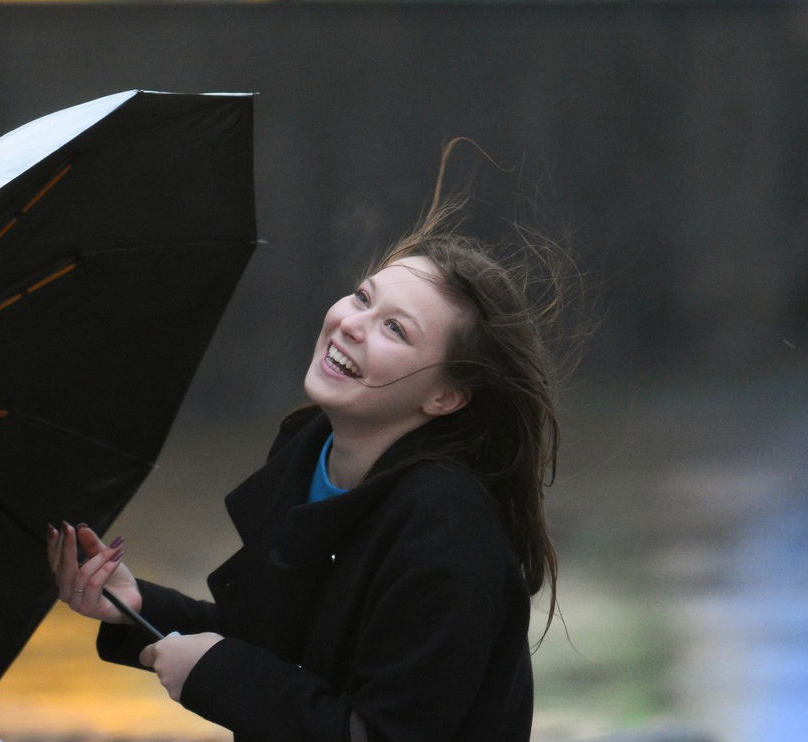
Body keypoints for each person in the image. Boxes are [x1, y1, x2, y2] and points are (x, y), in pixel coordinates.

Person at [46, 149, 577, 742]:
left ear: (446, 398)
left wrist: (219, 675)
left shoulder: (449, 537)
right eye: (362, 297)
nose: (352, 323)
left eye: (395, 329)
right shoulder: (307, 453)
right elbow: (285, 645)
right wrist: (135, 604)